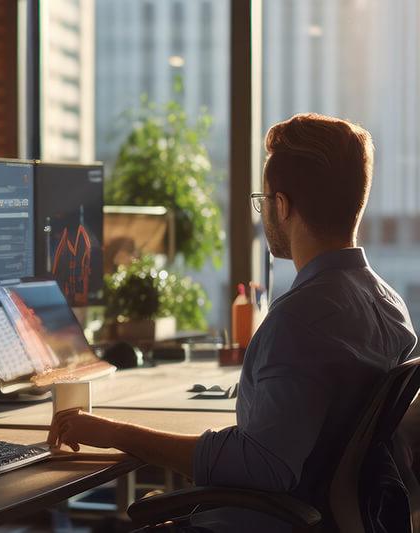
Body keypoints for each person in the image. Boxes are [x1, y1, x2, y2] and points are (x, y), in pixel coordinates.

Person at [48, 113, 418, 532]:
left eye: (264, 201)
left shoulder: (299, 319)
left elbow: (262, 466)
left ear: (282, 206)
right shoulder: (390, 305)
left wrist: (116, 432)